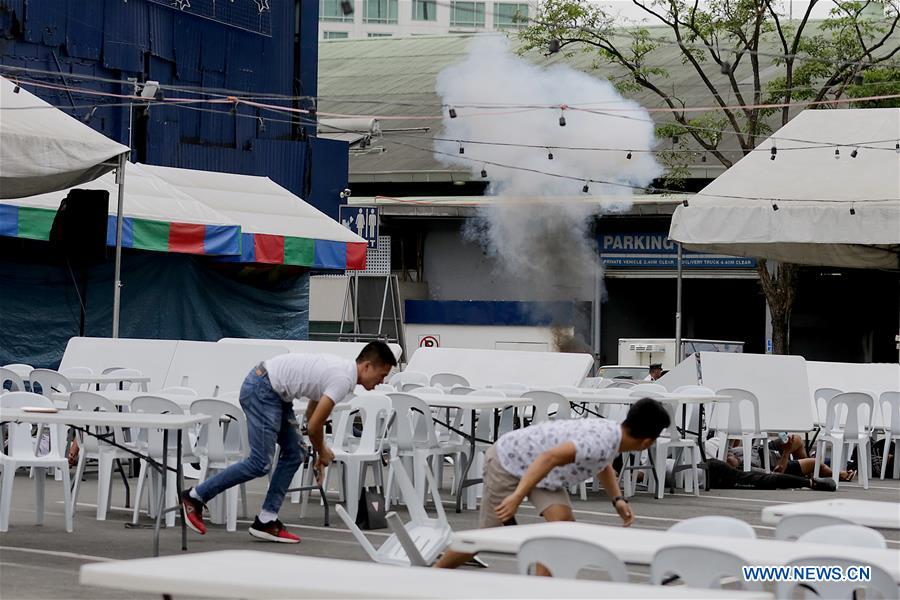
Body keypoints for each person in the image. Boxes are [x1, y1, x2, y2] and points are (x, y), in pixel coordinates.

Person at [180, 341, 396, 543]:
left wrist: (320, 453)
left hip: (271, 390)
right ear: (367, 366)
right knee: (260, 463)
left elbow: (313, 411)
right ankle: (195, 497)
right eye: (382, 375)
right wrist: (323, 452)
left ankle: (266, 520)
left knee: (295, 453)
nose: (382, 382)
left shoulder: (341, 371)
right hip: (263, 389)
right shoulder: (343, 379)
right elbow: (313, 426)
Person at [435, 398, 671, 570]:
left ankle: (539, 590)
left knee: (562, 530)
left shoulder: (613, 435)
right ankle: (433, 574)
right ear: (647, 441)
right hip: (507, 462)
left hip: (543, 472)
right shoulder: (601, 442)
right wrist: (517, 496)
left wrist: (617, 499)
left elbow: (602, 464)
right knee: (488, 534)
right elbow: (549, 457)